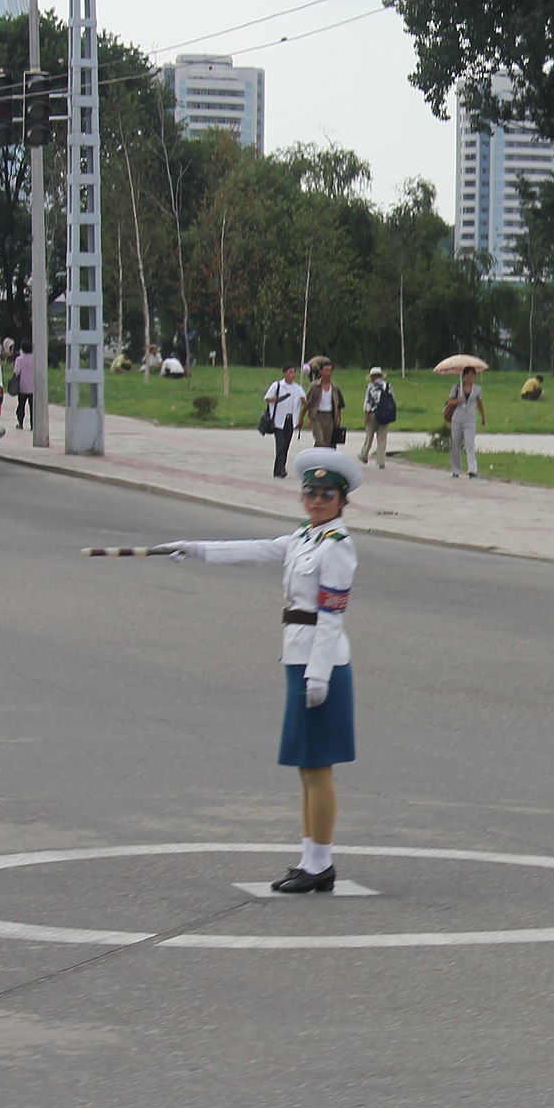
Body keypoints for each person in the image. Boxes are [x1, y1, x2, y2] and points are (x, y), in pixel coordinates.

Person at [155, 450, 366, 893]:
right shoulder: (304, 537)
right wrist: (193, 548)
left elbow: (331, 616)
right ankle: (310, 859)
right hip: (298, 658)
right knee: (305, 767)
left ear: (342, 499)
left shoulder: (337, 546)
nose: (316, 500)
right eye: (310, 492)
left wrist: (320, 675)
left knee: (318, 766)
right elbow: (253, 549)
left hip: (320, 664)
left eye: (326, 494)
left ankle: (321, 863)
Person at [263, 364, 304, 478]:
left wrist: (303, 402)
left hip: (291, 420)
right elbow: (267, 399)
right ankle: (280, 469)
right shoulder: (277, 386)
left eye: (294, 372)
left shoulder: (297, 388)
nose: (292, 375)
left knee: (286, 445)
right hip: (278, 420)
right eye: (290, 372)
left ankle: (280, 468)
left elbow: (305, 402)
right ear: (284, 373)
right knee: (280, 446)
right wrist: (278, 398)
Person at [447, 364, 485, 478]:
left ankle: (472, 469)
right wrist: (458, 400)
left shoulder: (477, 389)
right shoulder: (457, 387)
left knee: (470, 444)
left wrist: (483, 417)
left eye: (472, 375)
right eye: (468, 374)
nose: (470, 377)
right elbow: (449, 401)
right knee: (456, 443)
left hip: (470, 419)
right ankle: (456, 469)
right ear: (463, 376)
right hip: (457, 418)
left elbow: (480, 404)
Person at [358, 365, 396, 468]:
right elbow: (392, 400)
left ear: (372, 377)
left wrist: (366, 416)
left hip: (373, 414)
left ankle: (364, 455)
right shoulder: (388, 386)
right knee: (382, 439)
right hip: (385, 415)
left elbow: (367, 403)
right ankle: (381, 461)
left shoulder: (371, 387)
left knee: (369, 437)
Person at [306, 359, 346, 449]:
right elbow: (308, 403)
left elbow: (339, 405)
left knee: (327, 442)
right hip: (317, 416)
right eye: (325, 371)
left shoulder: (335, 387)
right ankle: (317, 457)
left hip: (330, 416)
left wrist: (338, 418)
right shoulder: (314, 386)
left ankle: (322, 460)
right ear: (320, 372)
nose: (328, 373)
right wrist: (305, 418)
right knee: (320, 440)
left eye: (330, 371)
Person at [12, 346, 34, 428]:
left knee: (21, 405)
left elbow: (17, 372)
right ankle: (33, 425)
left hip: (22, 387)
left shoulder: (19, 359)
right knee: (32, 407)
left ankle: (20, 423)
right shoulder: (35, 359)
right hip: (33, 387)